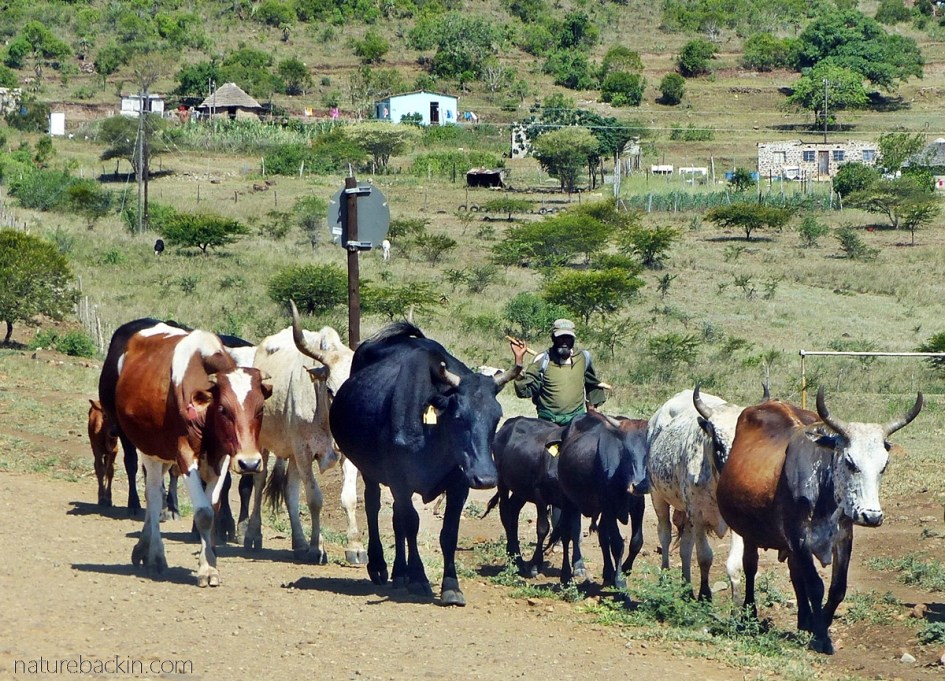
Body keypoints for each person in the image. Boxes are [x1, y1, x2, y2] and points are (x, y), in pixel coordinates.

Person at [510, 319, 607, 425]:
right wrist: (518, 358)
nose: (564, 342)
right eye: (560, 338)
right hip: (548, 422)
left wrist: (591, 413)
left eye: (568, 338)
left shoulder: (583, 358)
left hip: (575, 421)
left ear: (573, 339)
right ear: (553, 338)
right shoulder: (542, 360)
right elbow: (523, 391)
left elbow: (591, 384)